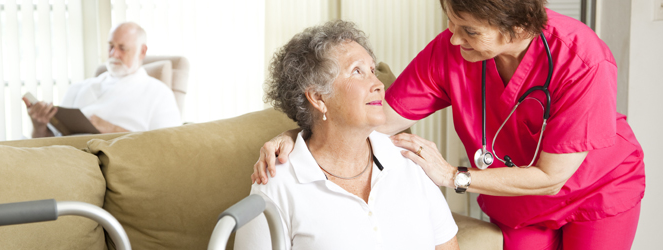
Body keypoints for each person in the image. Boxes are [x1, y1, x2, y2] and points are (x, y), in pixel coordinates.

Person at [251, 1, 645, 249]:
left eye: (470, 30)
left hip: (596, 192)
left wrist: (451, 175)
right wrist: (300, 133)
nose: (455, 39)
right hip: (519, 201)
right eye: (452, 22)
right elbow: (378, 117)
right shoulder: (450, 50)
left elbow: (552, 176)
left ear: (518, 30)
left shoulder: (582, 59)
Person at [235, 20, 459, 250]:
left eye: (372, 70)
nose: (378, 84)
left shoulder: (408, 160)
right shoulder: (276, 183)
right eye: (357, 71)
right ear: (319, 98)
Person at [23, 22, 181, 138]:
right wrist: (40, 126)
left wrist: (112, 129)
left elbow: (167, 146)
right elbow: (49, 144)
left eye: (122, 48)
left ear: (142, 51)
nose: (114, 54)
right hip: (63, 158)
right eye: (111, 46)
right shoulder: (78, 88)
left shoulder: (159, 94)